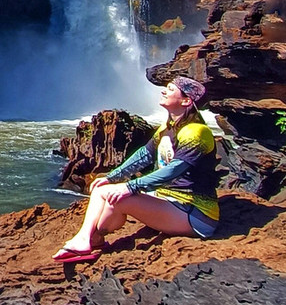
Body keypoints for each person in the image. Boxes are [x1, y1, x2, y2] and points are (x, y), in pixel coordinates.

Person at [51, 76, 219, 263]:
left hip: (195, 215)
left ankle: (86, 240)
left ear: (186, 100)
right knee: (102, 189)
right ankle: (92, 239)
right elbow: (144, 155)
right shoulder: (168, 127)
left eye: (170, 89)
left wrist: (130, 186)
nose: (163, 91)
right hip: (169, 201)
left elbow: (173, 170)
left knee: (119, 198)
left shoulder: (196, 132)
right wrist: (112, 177)